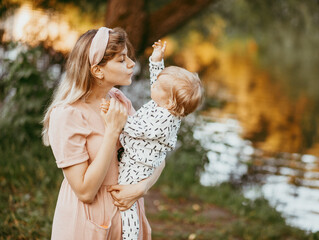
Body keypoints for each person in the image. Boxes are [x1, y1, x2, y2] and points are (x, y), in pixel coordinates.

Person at [41, 27, 163, 239]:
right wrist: (112, 131)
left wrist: (140, 189)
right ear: (97, 70)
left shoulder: (119, 100)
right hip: (87, 221)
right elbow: (85, 191)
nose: (132, 64)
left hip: (127, 217)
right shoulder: (67, 115)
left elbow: (155, 153)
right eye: (121, 59)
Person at [101, 40, 203, 240]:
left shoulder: (165, 119)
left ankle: (130, 235)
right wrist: (156, 60)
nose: (152, 84)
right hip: (136, 155)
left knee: (125, 200)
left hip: (138, 164)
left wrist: (117, 118)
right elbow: (160, 81)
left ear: (169, 100)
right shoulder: (166, 103)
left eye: (156, 85)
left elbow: (139, 129)